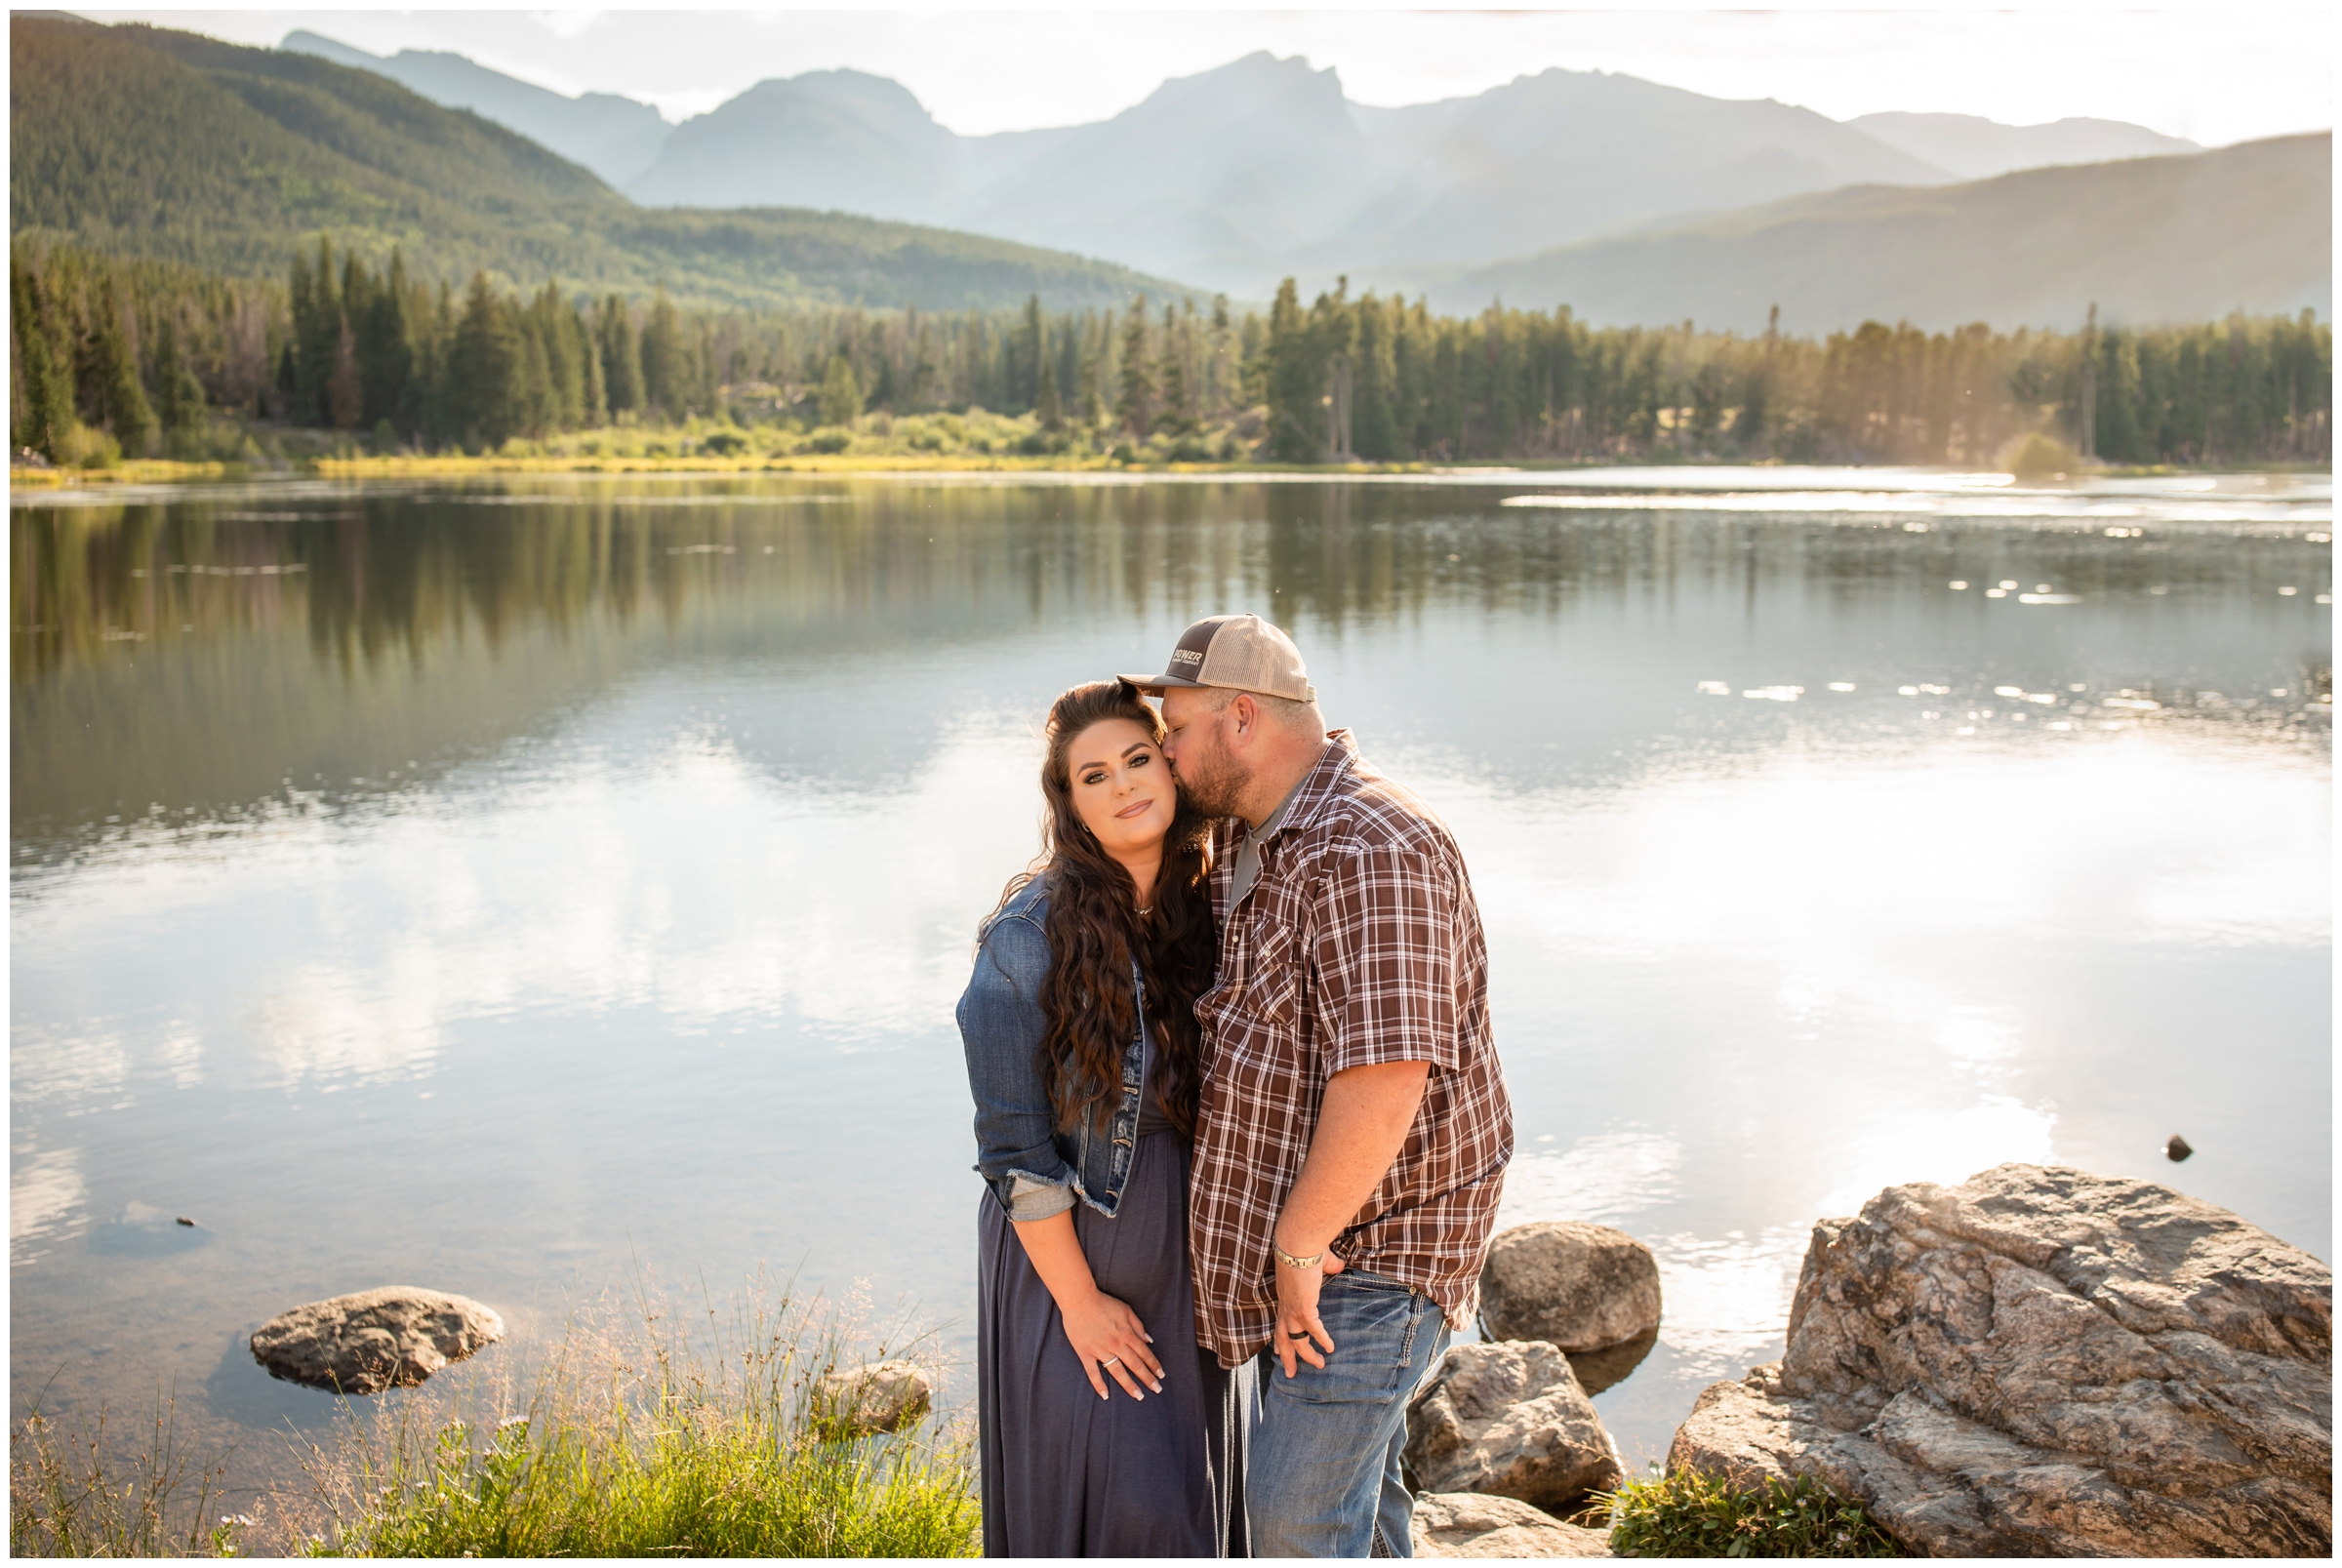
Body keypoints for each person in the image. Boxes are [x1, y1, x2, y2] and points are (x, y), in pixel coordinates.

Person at [1122, 614, 1514, 1559]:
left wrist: (1299, 1244)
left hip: (1369, 1252)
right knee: (1358, 1503)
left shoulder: (1372, 843)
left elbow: (1386, 1073)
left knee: (1296, 1520)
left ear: (1243, 718)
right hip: (1325, 1251)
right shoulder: (1262, 840)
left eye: (1174, 732)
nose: (1165, 757)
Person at [958, 678, 1249, 1557]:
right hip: (1075, 1259)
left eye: (1137, 758)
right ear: (1070, 803)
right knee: (1128, 1509)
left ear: (1172, 764)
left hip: (1190, 1257)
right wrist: (1081, 1303)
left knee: (1192, 1505)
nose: (1124, 785)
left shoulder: (1218, 901)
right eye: (1094, 775)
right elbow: (1014, 1151)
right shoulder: (1028, 935)